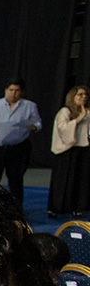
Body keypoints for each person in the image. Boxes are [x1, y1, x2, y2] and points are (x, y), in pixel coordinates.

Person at [0, 78, 42, 203]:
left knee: (16, 180)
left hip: (18, 148)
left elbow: (38, 122)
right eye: (11, 90)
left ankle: (16, 210)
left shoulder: (29, 106)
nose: (13, 93)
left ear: (21, 92)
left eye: (17, 90)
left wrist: (34, 126)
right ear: (6, 90)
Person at [48, 85, 90, 220]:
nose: (83, 97)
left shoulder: (88, 112)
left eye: (85, 95)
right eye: (80, 95)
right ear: (73, 97)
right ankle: (56, 207)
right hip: (66, 151)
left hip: (82, 150)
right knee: (63, 180)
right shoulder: (65, 112)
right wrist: (78, 119)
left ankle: (77, 207)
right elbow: (63, 129)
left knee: (80, 180)